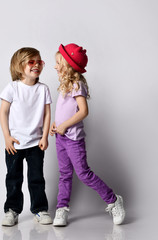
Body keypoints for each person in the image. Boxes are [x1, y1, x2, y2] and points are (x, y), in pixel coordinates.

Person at [50, 43, 125, 226]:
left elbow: (83, 111)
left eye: (58, 62)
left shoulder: (77, 85)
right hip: (61, 138)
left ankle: (114, 201)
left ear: (69, 65)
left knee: (83, 173)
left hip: (73, 139)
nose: (55, 66)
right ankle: (62, 208)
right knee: (65, 174)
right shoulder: (64, 85)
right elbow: (64, 111)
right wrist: (56, 125)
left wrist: (65, 125)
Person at [0, 47, 52, 226]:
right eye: (31, 62)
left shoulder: (43, 89)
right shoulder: (12, 88)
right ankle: (12, 210)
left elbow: (47, 115)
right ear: (19, 66)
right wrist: (7, 136)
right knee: (14, 178)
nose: (36, 65)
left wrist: (45, 137)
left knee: (36, 178)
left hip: (36, 143)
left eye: (39, 62)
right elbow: (3, 112)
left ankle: (40, 209)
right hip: (14, 143)